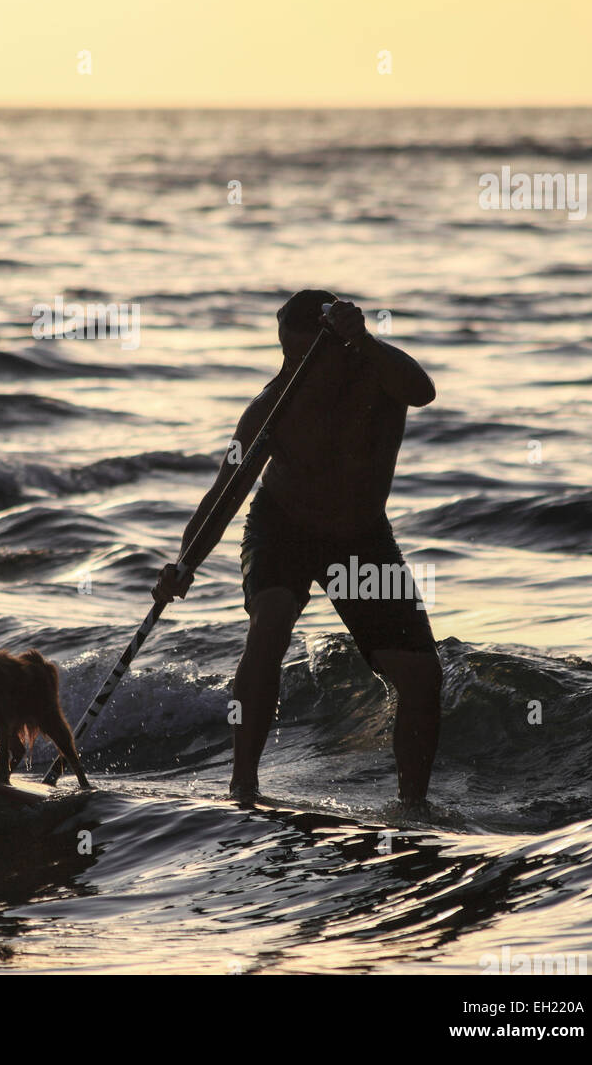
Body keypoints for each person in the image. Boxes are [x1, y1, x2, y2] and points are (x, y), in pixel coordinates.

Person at [153, 290, 441, 808]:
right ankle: (243, 786)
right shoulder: (273, 405)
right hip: (281, 529)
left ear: (341, 346)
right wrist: (185, 562)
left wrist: (364, 338)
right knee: (271, 619)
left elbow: (424, 392)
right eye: (286, 354)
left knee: (420, 676)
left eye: (305, 356)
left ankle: (413, 809)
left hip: (361, 539)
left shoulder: (379, 373)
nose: (293, 367)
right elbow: (226, 491)